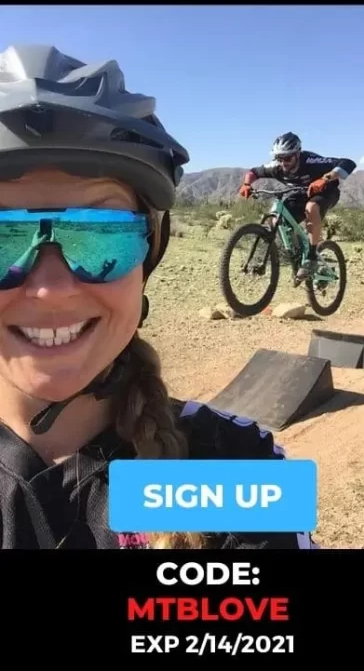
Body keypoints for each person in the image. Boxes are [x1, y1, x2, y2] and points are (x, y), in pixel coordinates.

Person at [0, 44, 319, 550]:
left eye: (101, 236)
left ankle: (312, 255)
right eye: (3, 239)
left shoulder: (234, 469)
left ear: (149, 256)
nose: (50, 290)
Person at [239, 132, 356, 280]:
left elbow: (348, 163)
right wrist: (246, 184)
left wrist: (325, 179)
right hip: (300, 194)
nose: (283, 163)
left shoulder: (311, 161)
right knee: (276, 220)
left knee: (311, 208)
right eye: (279, 158)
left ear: (297, 154)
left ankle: (311, 257)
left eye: (287, 158)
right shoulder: (276, 166)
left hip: (326, 192)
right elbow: (253, 172)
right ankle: (298, 252)